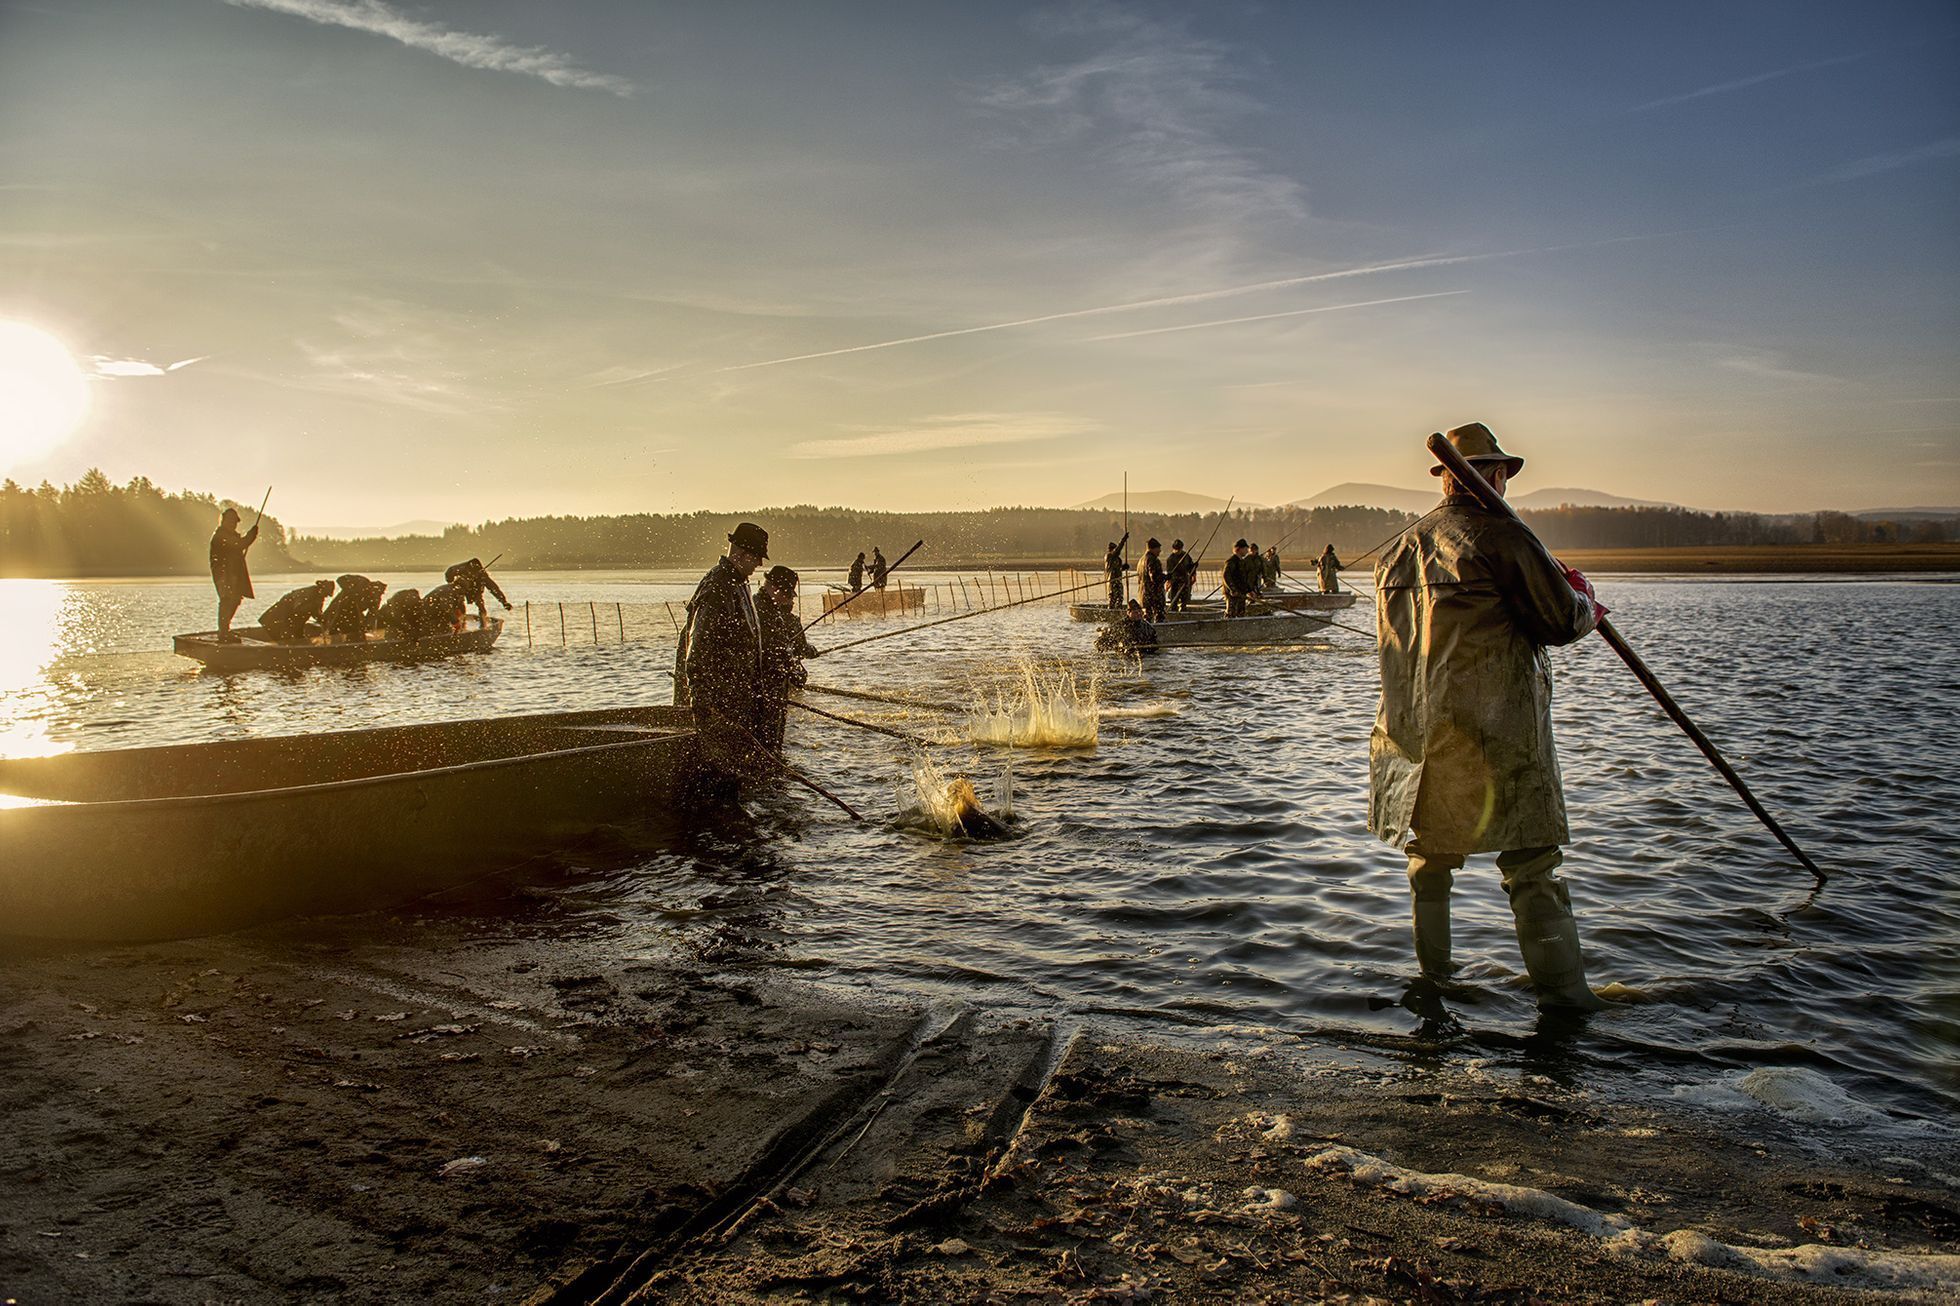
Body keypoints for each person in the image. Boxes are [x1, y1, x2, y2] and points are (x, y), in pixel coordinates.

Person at [1369, 422, 1609, 1010]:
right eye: (1500, 472)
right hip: (1497, 733)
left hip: (1416, 738)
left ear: (1446, 476)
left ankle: (1436, 987)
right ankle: (1568, 1008)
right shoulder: (1501, 536)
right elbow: (1560, 620)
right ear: (1494, 474)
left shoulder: (1399, 548)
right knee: (1533, 866)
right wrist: (1585, 599)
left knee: (1429, 864)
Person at [675, 521, 769, 799]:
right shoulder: (717, 586)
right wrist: (703, 707)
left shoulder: (739, 584)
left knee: (734, 779)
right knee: (716, 781)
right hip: (716, 709)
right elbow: (697, 652)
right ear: (740, 554)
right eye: (756, 559)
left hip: (735, 704)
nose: (758, 566)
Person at [753, 565, 820, 756]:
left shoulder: (763, 607)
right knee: (766, 745)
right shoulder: (764, 613)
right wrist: (796, 669)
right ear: (775, 588)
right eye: (787, 594)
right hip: (765, 693)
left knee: (769, 744)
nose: (789, 599)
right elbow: (776, 653)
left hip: (772, 691)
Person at [208, 506, 259, 641]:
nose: (234, 524)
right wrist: (251, 535)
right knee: (227, 600)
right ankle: (223, 633)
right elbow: (240, 544)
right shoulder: (220, 536)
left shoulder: (228, 535)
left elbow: (239, 545)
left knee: (235, 599)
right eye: (231, 521)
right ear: (223, 521)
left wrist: (249, 537)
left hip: (233, 574)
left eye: (235, 521)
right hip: (224, 574)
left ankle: (225, 630)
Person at [258, 579, 335, 643]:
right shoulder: (308, 594)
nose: (325, 596)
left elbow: (317, 613)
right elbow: (298, 608)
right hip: (285, 610)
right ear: (321, 589)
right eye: (325, 594)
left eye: (327, 595)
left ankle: (295, 643)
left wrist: (322, 619)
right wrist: (319, 616)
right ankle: (285, 646)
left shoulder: (319, 597)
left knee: (296, 631)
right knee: (276, 626)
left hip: (295, 615)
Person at [444, 557, 510, 626]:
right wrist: (451, 583)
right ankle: (459, 622)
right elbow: (449, 573)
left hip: (475, 590)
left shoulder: (482, 576)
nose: (472, 574)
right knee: (459, 603)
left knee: (480, 604)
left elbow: (494, 588)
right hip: (461, 588)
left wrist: (504, 602)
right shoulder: (460, 569)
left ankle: (483, 623)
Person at [323, 574, 387, 642]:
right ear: (371, 587)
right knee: (335, 628)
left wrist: (367, 626)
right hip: (340, 607)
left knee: (357, 632)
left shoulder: (376, 599)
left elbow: (372, 615)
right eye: (375, 592)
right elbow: (340, 579)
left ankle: (353, 645)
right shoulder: (361, 581)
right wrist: (350, 592)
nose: (377, 595)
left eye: (380, 593)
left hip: (355, 614)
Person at [1221, 539, 1253, 617]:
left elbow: (1243, 579)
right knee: (1231, 614)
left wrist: (1249, 591)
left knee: (1241, 614)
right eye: (1245, 549)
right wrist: (1233, 589)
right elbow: (1226, 576)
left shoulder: (1242, 562)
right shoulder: (1231, 561)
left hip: (1241, 594)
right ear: (1239, 549)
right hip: (1233, 595)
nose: (1247, 551)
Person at [1139, 538, 1167, 622]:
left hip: (1144, 593)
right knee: (1159, 616)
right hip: (1154, 595)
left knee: (1147, 616)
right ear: (1152, 548)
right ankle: (1159, 632)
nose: (1160, 551)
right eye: (1158, 548)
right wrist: (1166, 577)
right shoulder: (1152, 560)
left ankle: (1146, 632)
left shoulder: (1141, 560)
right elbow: (1154, 577)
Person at [1165, 539, 1196, 612]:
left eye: (1179, 549)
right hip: (1175, 581)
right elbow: (1169, 572)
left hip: (1184, 581)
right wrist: (1169, 581)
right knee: (1174, 598)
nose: (1178, 551)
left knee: (1184, 599)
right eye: (1176, 549)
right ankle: (1174, 610)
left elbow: (1190, 567)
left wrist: (1194, 568)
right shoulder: (1170, 559)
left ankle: (1183, 610)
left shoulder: (1186, 556)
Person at [1102, 541, 1126, 609]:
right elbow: (1117, 550)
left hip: (1118, 580)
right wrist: (1123, 540)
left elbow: (1118, 569)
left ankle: (1118, 610)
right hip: (1112, 581)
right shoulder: (1109, 556)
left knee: (1120, 597)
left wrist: (1123, 567)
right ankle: (1111, 611)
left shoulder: (1117, 559)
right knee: (1113, 597)